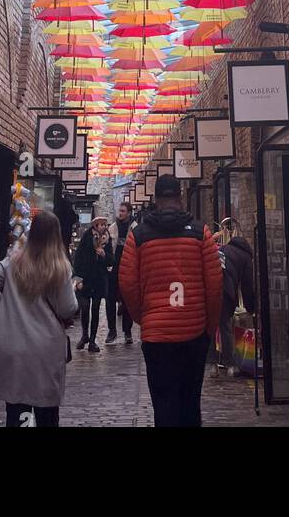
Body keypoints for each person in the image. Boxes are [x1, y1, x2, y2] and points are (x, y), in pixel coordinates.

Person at [118, 174, 223, 426]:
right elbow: (215, 285)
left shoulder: (138, 236)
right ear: (180, 196)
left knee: (164, 403)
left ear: (155, 199)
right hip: (193, 333)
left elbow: (127, 284)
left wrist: (144, 319)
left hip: (157, 338)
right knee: (190, 403)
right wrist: (208, 326)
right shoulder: (201, 233)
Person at [0, 209, 78, 428]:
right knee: (46, 412)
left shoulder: (13, 261)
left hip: (14, 344)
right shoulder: (60, 267)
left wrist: (2, 307)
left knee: (16, 407)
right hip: (45, 347)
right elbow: (68, 308)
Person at [72, 214, 112, 352]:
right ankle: (85, 335)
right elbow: (78, 258)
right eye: (101, 225)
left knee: (95, 309)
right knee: (85, 307)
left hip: (99, 279)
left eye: (105, 225)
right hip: (86, 278)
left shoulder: (107, 240)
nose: (104, 227)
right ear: (95, 226)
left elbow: (111, 260)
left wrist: (104, 255)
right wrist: (78, 278)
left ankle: (93, 340)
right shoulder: (87, 238)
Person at [218, 232, 256, 374]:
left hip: (212, 289)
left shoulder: (223, 250)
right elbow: (247, 285)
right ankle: (229, 363)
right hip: (226, 292)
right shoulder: (245, 257)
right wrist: (251, 308)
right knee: (225, 327)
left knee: (210, 327)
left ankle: (212, 363)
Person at [106, 202, 135, 344]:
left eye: (123, 211)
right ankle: (112, 330)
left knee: (127, 300)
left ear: (129, 212)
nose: (120, 213)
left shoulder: (135, 229)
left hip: (128, 268)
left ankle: (127, 331)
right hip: (114, 268)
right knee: (110, 299)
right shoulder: (112, 228)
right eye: (120, 211)